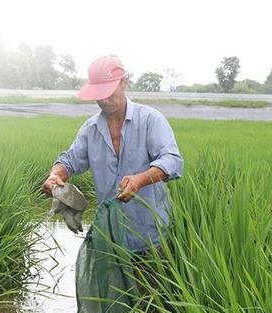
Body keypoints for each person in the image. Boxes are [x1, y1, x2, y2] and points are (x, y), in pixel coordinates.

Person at [42, 55, 183, 253]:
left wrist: (140, 180)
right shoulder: (90, 129)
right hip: (110, 238)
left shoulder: (150, 120)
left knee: (149, 284)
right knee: (108, 285)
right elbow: (69, 161)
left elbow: (173, 161)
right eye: (98, 94)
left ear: (124, 83)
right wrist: (55, 175)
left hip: (151, 239)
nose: (104, 100)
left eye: (107, 92)